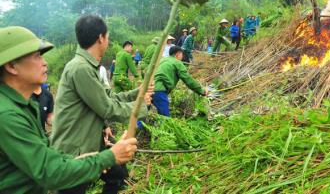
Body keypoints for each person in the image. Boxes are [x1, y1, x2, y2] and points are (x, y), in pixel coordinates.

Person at [0, 26, 138, 194]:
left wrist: (84, 159)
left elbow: (43, 153)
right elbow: (49, 172)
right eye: (37, 56)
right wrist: (109, 156)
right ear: (12, 66)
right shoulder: (7, 115)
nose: (44, 62)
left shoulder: (24, 104)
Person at [51, 15, 153, 194]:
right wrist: (141, 107)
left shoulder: (89, 67)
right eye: (108, 37)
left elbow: (110, 97)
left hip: (91, 146)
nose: (108, 41)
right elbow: (108, 108)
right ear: (100, 38)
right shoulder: (80, 68)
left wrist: (138, 92)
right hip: (75, 152)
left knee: (117, 174)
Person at [153, 46, 208, 116]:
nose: (182, 57)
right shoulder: (177, 63)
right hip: (159, 90)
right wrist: (202, 91)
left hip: (148, 88)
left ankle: (137, 125)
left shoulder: (162, 60)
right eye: (182, 54)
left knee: (144, 116)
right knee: (165, 118)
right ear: (178, 54)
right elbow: (188, 80)